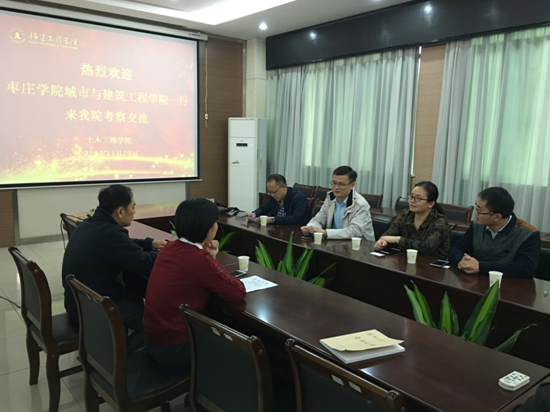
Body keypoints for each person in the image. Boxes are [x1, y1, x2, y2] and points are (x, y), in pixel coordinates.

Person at [143, 198, 246, 370]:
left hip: (153, 339)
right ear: (208, 228)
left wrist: (210, 259)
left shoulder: (170, 247)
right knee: (240, 352)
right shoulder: (198, 259)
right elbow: (237, 292)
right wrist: (211, 261)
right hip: (174, 348)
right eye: (215, 222)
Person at [62, 185, 166, 334]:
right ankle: (128, 348)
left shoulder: (89, 224)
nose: (134, 211)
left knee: (134, 287)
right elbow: (145, 263)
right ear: (120, 212)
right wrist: (167, 252)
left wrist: (149, 243)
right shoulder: (111, 234)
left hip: (78, 302)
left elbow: (122, 244)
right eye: (133, 207)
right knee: (155, 323)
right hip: (97, 308)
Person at [448, 187, 540, 278]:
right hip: (476, 281)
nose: (475, 213)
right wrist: (461, 261)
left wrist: (480, 266)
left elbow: (526, 268)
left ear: (497, 217)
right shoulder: (476, 226)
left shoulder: (528, 234)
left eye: (479, 211)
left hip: (509, 284)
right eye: (476, 208)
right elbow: (456, 249)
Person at [374, 181, 450, 258]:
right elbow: (389, 235)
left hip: (431, 262)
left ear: (430, 203)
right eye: (411, 196)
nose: (412, 201)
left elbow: (427, 247)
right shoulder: (405, 214)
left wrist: (398, 240)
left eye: (418, 198)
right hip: (406, 259)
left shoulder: (440, 221)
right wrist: (382, 243)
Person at [301, 166, 374, 240]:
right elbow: (318, 219)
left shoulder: (361, 204)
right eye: (334, 183)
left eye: (341, 184)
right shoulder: (330, 198)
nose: (336, 187)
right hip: (335, 242)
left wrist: (326, 233)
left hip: (360, 244)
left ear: (352, 185)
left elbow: (355, 232)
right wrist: (310, 228)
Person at [247, 174, 311, 226]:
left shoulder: (298, 197)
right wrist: (254, 214)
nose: (272, 195)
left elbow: (296, 218)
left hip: (294, 232)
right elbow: (264, 208)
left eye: (274, 192)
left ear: (283, 187)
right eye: (270, 192)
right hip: (277, 229)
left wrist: (272, 219)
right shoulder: (274, 197)